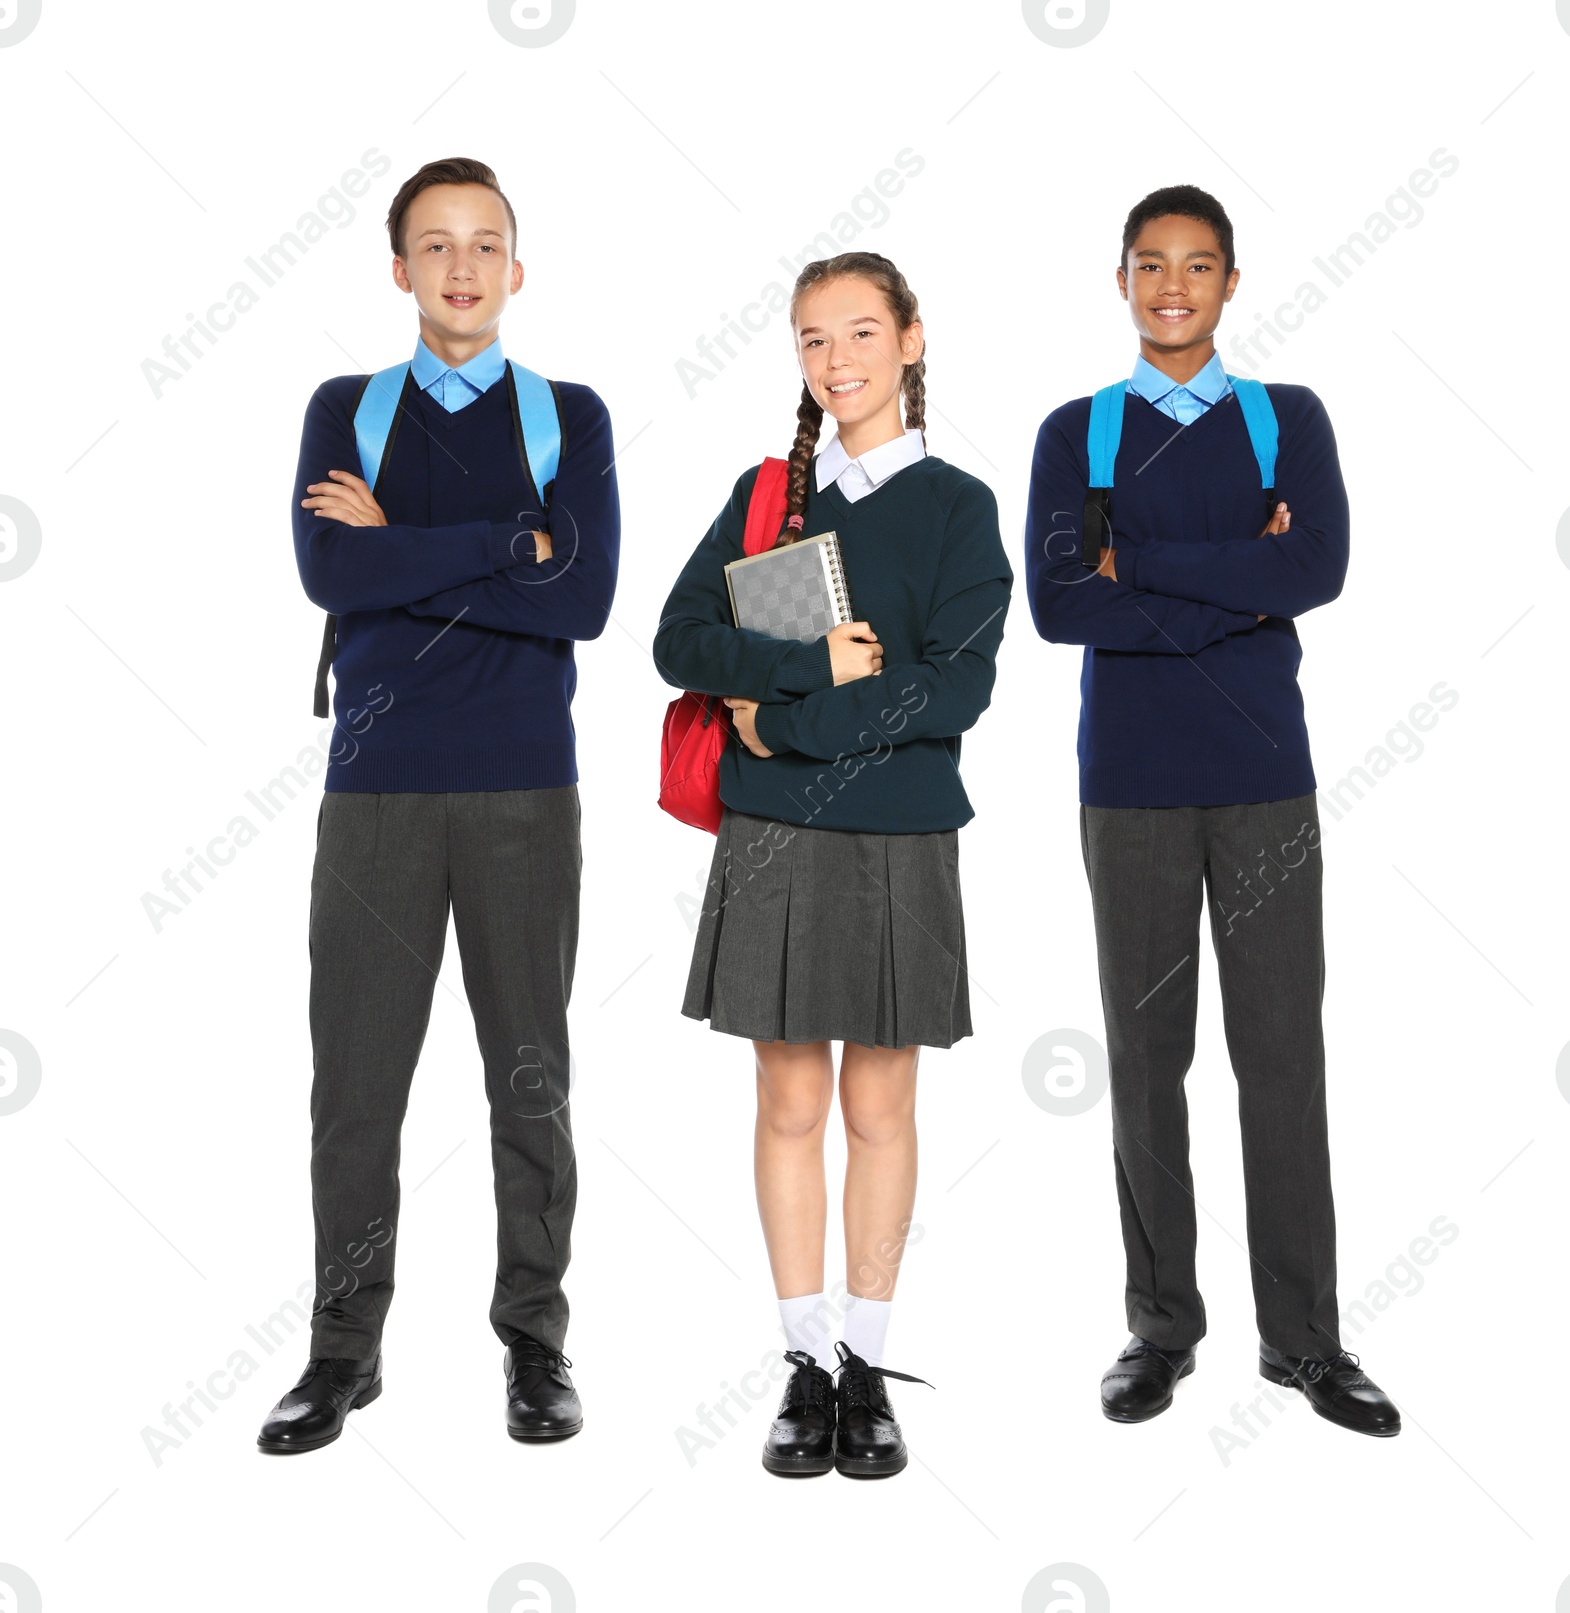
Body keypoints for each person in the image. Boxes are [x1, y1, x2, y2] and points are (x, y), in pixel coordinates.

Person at [256, 157, 620, 1454]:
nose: (462, 267)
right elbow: (323, 569)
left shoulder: (566, 416)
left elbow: (582, 601)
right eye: (435, 245)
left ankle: (535, 1340)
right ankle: (341, 1349)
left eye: (486, 245)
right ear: (400, 268)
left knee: (529, 1078)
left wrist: (400, 549)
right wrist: (501, 540)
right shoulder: (343, 410)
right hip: (377, 795)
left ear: (516, 271)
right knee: (355, 1084)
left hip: (525, 788)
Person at [1024, 185, 1400, 1438]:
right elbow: (1061, 605)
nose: (1172, 285)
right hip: (1126, 782)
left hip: (1262, 780)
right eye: (1149, 265)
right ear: (1120, 281)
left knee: (1284, 1056)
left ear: (1232, 283)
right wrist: (1242, 576)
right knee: (1146, 1064)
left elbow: (1322, 568)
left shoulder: (1284, 420)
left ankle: (1305, 1340)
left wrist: (1148, 563)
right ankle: (1159, 1323)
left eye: (1197, 266)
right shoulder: (1074, 433)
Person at [654, 252, 1011, 1477]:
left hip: (901, 831)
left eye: (861, 332)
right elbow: (677, 638)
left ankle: (869, 1358)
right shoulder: (769, 500)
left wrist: (782, 721)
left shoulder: (960, 505)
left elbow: (956, 684)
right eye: (814, 339)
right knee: (791, 1104)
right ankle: (804, 1359)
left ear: (912, 340)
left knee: (879, 1107)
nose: (837, 359)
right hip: (777, 839)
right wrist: (817, 673)